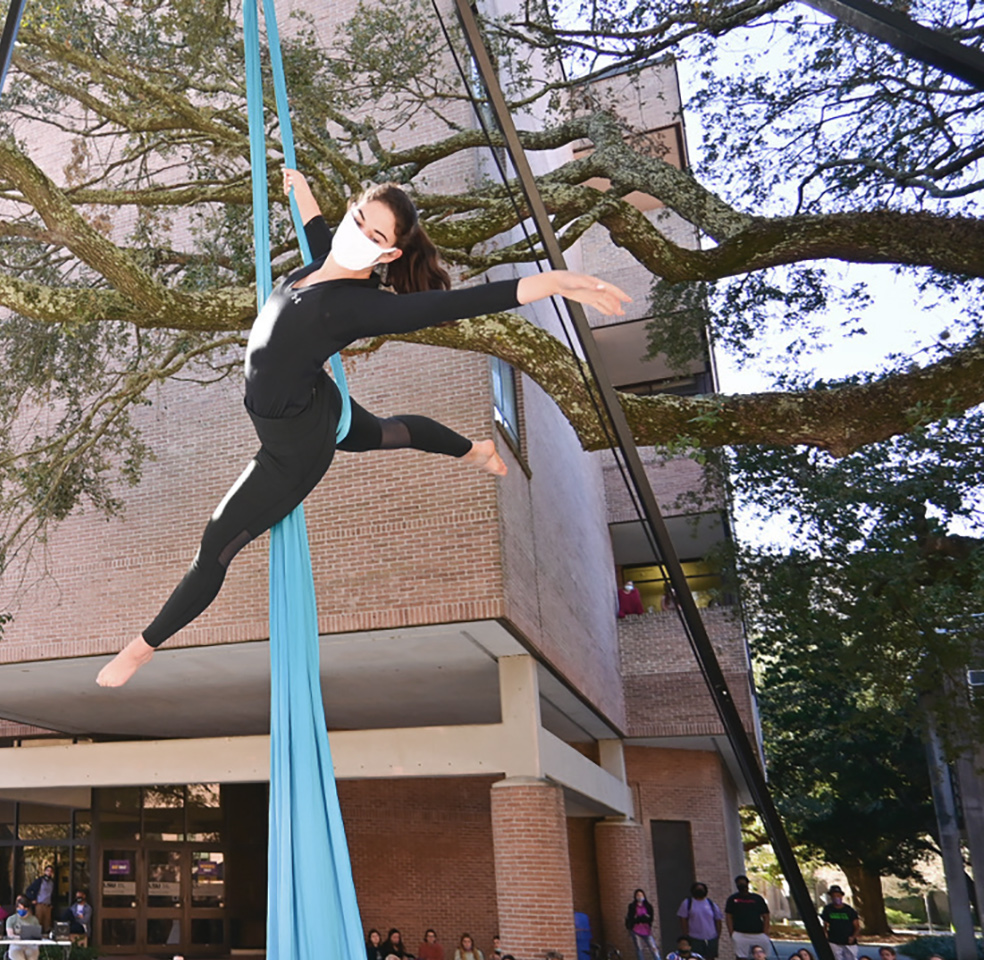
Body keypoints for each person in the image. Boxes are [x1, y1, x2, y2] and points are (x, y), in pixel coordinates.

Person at [94, 171, 629, 689]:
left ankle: (142, 648)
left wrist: (555, 282)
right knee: (387, 432)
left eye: (376, 236)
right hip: (316, 400)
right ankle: (475, 450)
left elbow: (454, 303)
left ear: (389, 254)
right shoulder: (318, 263)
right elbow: (319, 233)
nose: (359, 236)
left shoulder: (363, 306)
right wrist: (301, 190)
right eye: (358, 220)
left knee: (216, 545)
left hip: (294, 447)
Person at [724, 875, 771, 960]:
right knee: (740, 958)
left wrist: (765, 932)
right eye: (739, 883)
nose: (742, 886)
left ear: (748, 884)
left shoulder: (757, 898)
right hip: (740, 933)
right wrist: (732, 933)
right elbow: (728, 916)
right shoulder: (732, 899)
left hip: (758, 934)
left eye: (744, 883)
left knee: (762, 957)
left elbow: (766, 915)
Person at [677, 882, 723, 960]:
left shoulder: (711, 904)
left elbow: (718, 920)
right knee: (695, 959)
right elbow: (683, 919)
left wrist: (717, 934)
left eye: (702, 889)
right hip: (694, 937)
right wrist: (686, 934)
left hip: (711, 937)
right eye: (697, 889)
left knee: (711, 959)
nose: (700, 891)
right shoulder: (687, 903)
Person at [820, 885, 861, 960]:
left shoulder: (849, 910)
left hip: (849, 941)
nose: (836, 898)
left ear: (841, 896)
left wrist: (853, 937)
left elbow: (857, 926)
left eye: (838, 895)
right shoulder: (828, 909)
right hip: (834, 940)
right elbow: (825, 925)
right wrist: (825, 935)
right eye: (833, 896)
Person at [5, 896, 41, 960]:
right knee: (16, 954)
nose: (22, 910)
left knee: (32, 958)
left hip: (30, 945)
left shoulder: (34, 920)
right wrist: (20, 937)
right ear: (16, 908)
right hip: (16, 945)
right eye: (20, 908)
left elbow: (37, 935)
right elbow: (10, 934)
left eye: (24, 908)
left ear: (28, 909)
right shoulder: (11, 919)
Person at [625, 888, 660, 960]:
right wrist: (639, 919)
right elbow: (631, 918)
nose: (639, 897)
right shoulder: (632, 906)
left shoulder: (648, 906)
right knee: (639, 949)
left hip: (646, 929)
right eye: (638, 895)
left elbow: (650, 918)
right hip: (636, 929)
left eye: (641, 895)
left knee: (653, 948)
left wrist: (642, 918)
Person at [25, 862, 56, 932]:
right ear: (45, 871)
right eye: (48, 871)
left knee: (47, 924)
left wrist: (52, 904)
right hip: (39, 904)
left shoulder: (52, 883)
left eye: (51, 871)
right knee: (38, 923)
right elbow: (29, 890)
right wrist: (32, 899)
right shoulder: (39, 881)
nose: (49, 873)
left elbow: (53, 894)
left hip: (48, 905)